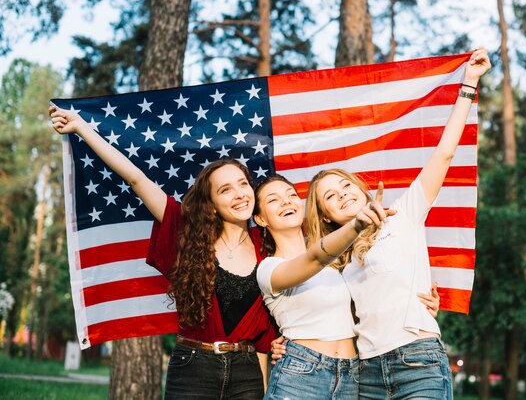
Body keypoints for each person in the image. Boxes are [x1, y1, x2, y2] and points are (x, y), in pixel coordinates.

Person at [302, 48, 491, 399]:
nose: (342, 194)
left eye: (346, 185)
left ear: (360, 188)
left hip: (417, 362)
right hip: (365, 373)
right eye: (330, 196)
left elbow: (445, 153)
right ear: (325, 216)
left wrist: (469, 84)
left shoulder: (404, 213)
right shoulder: (333, 259)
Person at [49, 106, 276, 399]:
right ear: (212, 203)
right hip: (193, 367)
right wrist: (81, 127)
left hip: (247, 371)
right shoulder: (188, 233)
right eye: (226, 190)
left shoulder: (267, 245)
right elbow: (136, 178)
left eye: (243, 184)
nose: (240, 194)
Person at [253, 175, 391, 400]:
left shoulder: (338, 262)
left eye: (291, 195)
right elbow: (314, 259)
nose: (286, 202)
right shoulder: (268, 268)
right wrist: (356, 224)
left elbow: (369, 303)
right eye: (273, 200)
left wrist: (420, 302)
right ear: (260, 219)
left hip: (351, 376)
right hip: (300, 375)